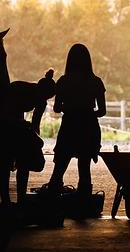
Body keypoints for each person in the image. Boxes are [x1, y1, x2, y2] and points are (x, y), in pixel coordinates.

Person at [46, 43, 106, 197]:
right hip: (88, 126)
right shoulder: (96, 82)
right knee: (84, 166)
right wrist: (88, 113)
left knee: (60, 165)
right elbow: (102, 111)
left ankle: (53, 197)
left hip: (70, 125)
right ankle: (84, 200)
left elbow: (57, 108)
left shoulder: (64, 81)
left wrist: (70, 109)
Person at [0, 69, 56, 206]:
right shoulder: (19, 88)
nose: (43, 99)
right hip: (3, 123)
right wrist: (22, 127)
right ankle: (5, 201)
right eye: (43, 95)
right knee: (6, 160)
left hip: (16, 125)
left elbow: (35, 125)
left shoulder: (41, 101)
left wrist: (34, 140)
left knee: (24, 161)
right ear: (38, 88)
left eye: (45, 98)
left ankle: (21, 199)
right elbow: (5, 112)